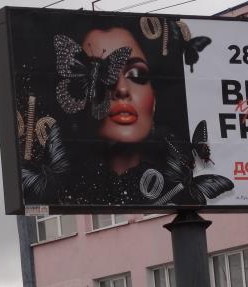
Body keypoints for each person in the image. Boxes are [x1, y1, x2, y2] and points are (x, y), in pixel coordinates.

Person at [21, 15, 232, 207]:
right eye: (106, 79)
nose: (121, 89)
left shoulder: (177, 176)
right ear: (79, 103)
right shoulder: (66, 192)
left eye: (137, 75)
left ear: (154, 96)